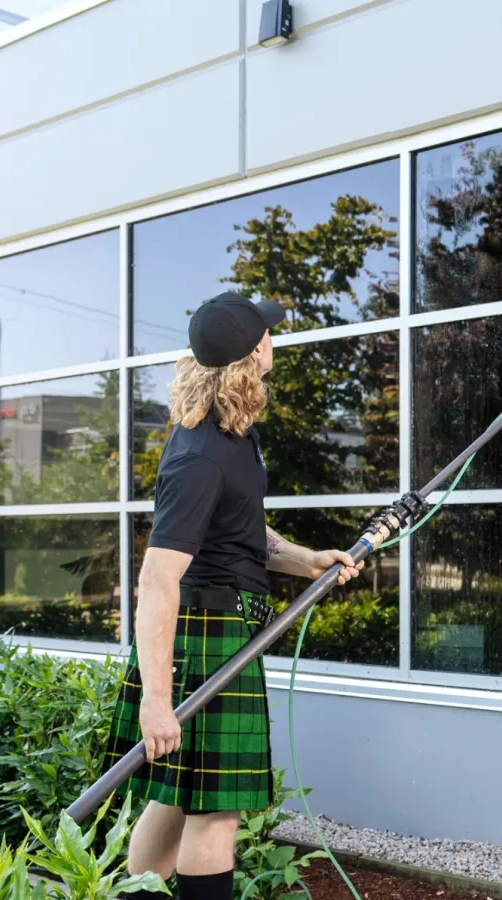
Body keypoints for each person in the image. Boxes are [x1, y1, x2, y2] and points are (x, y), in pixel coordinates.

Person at [106, 291, 364, 900]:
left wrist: (307, 561)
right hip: (204, 636)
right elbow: (157, 579)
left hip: (226, 630)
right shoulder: (199, 456)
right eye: (268, 334)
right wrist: (157, 701)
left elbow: (244, 532)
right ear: (252, 352)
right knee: (215, 814)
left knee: (173, 802)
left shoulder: (232, 437)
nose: (274, 340)